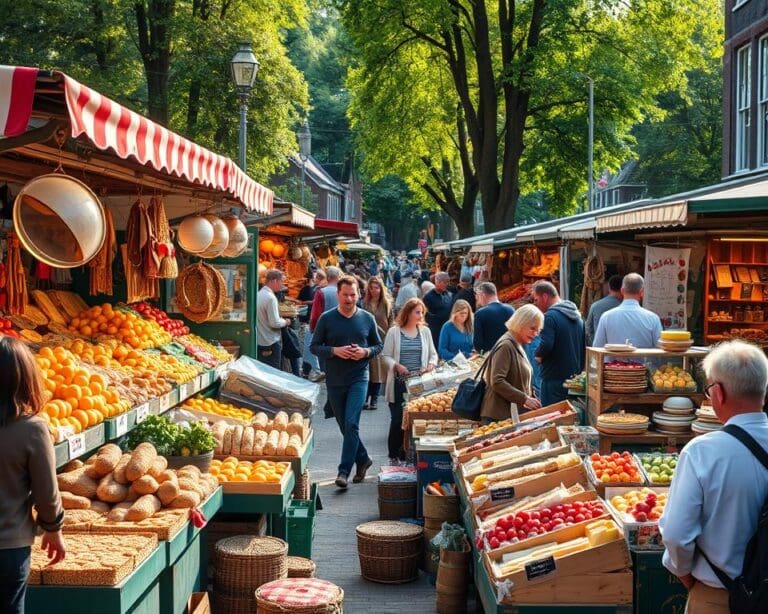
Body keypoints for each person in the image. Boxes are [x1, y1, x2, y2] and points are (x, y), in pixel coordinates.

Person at [660, 340, 768, 613]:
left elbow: (676, 534)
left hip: (720, 596)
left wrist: (685, 575)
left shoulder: (702, 452)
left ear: (718, 393)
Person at [0, 337, 66, 612]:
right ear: (26, 379)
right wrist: (53, 529)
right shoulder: (33, 429)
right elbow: (46, 493)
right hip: (9, 547)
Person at [311, 277, 383, 489]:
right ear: (338, 295)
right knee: (345, 427)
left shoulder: (367, 318)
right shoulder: (327, 318)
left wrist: (365, 352)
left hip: (359, 377)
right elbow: (314, 346)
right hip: (334, 379)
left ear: (359, 295)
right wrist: (334, 351)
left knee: (352, 424)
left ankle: (343, 471)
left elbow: (378, 345)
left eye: (353, 295)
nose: (349, 299)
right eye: (345, 295)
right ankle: (363, 459)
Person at [381, 298, 438, 462]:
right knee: (398, 419)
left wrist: (431, 364)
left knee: (416, 418)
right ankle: (393, 455)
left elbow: (433, 354)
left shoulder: (425, 331)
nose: (420, 316)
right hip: (399, 383)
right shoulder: (394, 332)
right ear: (408, 313)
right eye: (417, 312)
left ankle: (408, 455)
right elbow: (385, 356)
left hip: (419, 384)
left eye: (422, 312)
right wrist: (396, 365)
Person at [480, 304, 544, 423]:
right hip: (498, 417)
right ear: (520, 323)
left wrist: (531, 398)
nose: (535, 334)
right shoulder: (506, 345)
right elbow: (497, 381)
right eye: (532, 328)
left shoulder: (517, 343)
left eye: (538, 330)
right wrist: (525, 399)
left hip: (508, 415)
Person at [532, 280, 585, 406]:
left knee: (552, 414)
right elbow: (584, 346)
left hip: (554, 379)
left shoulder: (550, 317)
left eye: (536, 300)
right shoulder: (577, 316)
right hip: (574, 380)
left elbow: (546, 344)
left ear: (545, 296)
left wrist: (538, 355)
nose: (536, 304)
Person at [593, 273, 662, 349]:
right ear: (642, 292)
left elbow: (597, 348)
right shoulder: (653, 318)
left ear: (622, 290)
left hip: (613, 357)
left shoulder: (606, 317)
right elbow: (660, 349)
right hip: (645, 357)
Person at [362, 276, 394, 410]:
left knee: (379, 372)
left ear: (381, 288)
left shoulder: (386, 304)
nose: (374, 290)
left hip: (382, 340)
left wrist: (390, 339)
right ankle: (365, 398)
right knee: (368, 370)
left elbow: (391, 322)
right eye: (371, 288)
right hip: (367, 341)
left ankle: (374, 399)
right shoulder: (364, 303)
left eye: (376, 288)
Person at [256, 269, 290, 369]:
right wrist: (286, 322)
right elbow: (275, 323)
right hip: (270, 342)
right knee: (273, 372)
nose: (282, 285)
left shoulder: (258, 294)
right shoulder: (270, 298)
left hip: (260, 340)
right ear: (274, 281)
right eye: (281, 282)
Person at [299, 270, 326, 381]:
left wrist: (305, 303)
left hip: (314, 322)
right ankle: (309, 371)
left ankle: (315, 370)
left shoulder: (320, 290)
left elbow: (315, 304)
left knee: (310, 347)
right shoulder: (318, 289)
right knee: (310, 347)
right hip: (313, 321)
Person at [473, 282, 515, 353]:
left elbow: (478, 344)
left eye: (478, 296)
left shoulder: (480, 314)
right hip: (510, 352)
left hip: (491, 355)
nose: (477, 300)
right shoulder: (511, 309)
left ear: (483, 295)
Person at [584, 274, 622, 346]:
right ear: (623, 289)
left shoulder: (595, 306)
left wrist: (594, 343)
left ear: (609, 288)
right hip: (621, 350)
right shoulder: (623, 307)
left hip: (599, 349)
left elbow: (588, 328)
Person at [423, 272, 453, 347]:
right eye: (445, 282)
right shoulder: (428, 297)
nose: (447, 284)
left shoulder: (449, 294)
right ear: (437, 282)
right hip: (435, 331)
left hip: (448, 329)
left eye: (448, 282)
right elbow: (426, 315)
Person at [309, 266, 341, 332]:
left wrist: (313, 329)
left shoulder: (321, 292)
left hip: (326, 330)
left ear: (327, 277)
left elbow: (315, 316)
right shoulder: (344, 291)